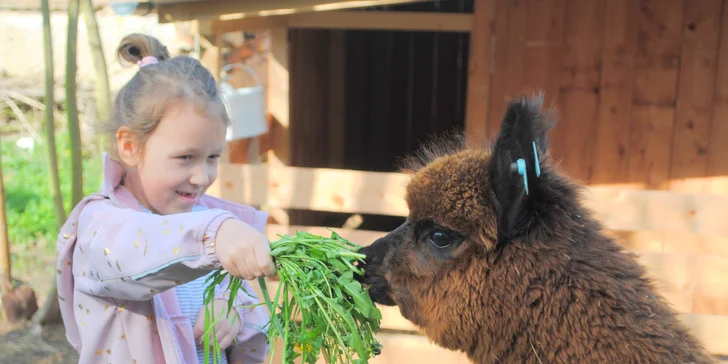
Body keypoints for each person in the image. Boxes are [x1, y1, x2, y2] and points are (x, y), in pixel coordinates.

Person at [55, 33, 276, 364]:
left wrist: (232, 312)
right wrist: (214, 234)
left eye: (213, 157)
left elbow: (251, 311)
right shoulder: (99, 226)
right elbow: (140, 251)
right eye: (186, 157)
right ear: (130, 147)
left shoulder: (204, 219)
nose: (202, 177)